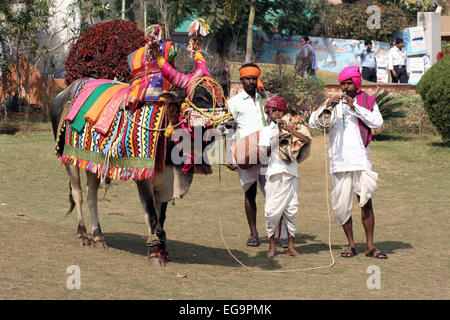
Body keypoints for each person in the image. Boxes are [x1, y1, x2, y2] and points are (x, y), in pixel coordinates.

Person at [308, 65, 388, 259]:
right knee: (342, 206)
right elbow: (313, 123)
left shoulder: (368, 101)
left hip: (361, 160)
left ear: (357, 83)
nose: (345, 87)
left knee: (366, 202)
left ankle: (370, 246)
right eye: (343, 83)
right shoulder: (333, 102)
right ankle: (351, 245)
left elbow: (377, 122)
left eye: (349, 83)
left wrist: (355, 107)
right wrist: (327, 104)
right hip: (339, 161)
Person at [259, 96, 310, 258]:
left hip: (291, 173)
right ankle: (272, 247)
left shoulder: (292, 126)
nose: (278, 113)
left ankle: (291, 247)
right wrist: (275, 138)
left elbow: (306, 139)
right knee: (271, 211)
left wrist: (288, 130)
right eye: (274, 110)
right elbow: (263, 155)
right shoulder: (265, 131)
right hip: (274, 173)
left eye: (281, 110)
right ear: (269, 112)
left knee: (292, 209)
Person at [227, 63, 267, 247]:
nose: (251, 82)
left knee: (273, 195)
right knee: (250, 193)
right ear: (241, 80)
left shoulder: (265, 100)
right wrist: (228, 156)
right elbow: (227, 130)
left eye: (253, 78)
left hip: (268, 153)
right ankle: (253, 233)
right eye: (247, 78)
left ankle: (277, 234)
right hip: (245, 154)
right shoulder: (233, 102)